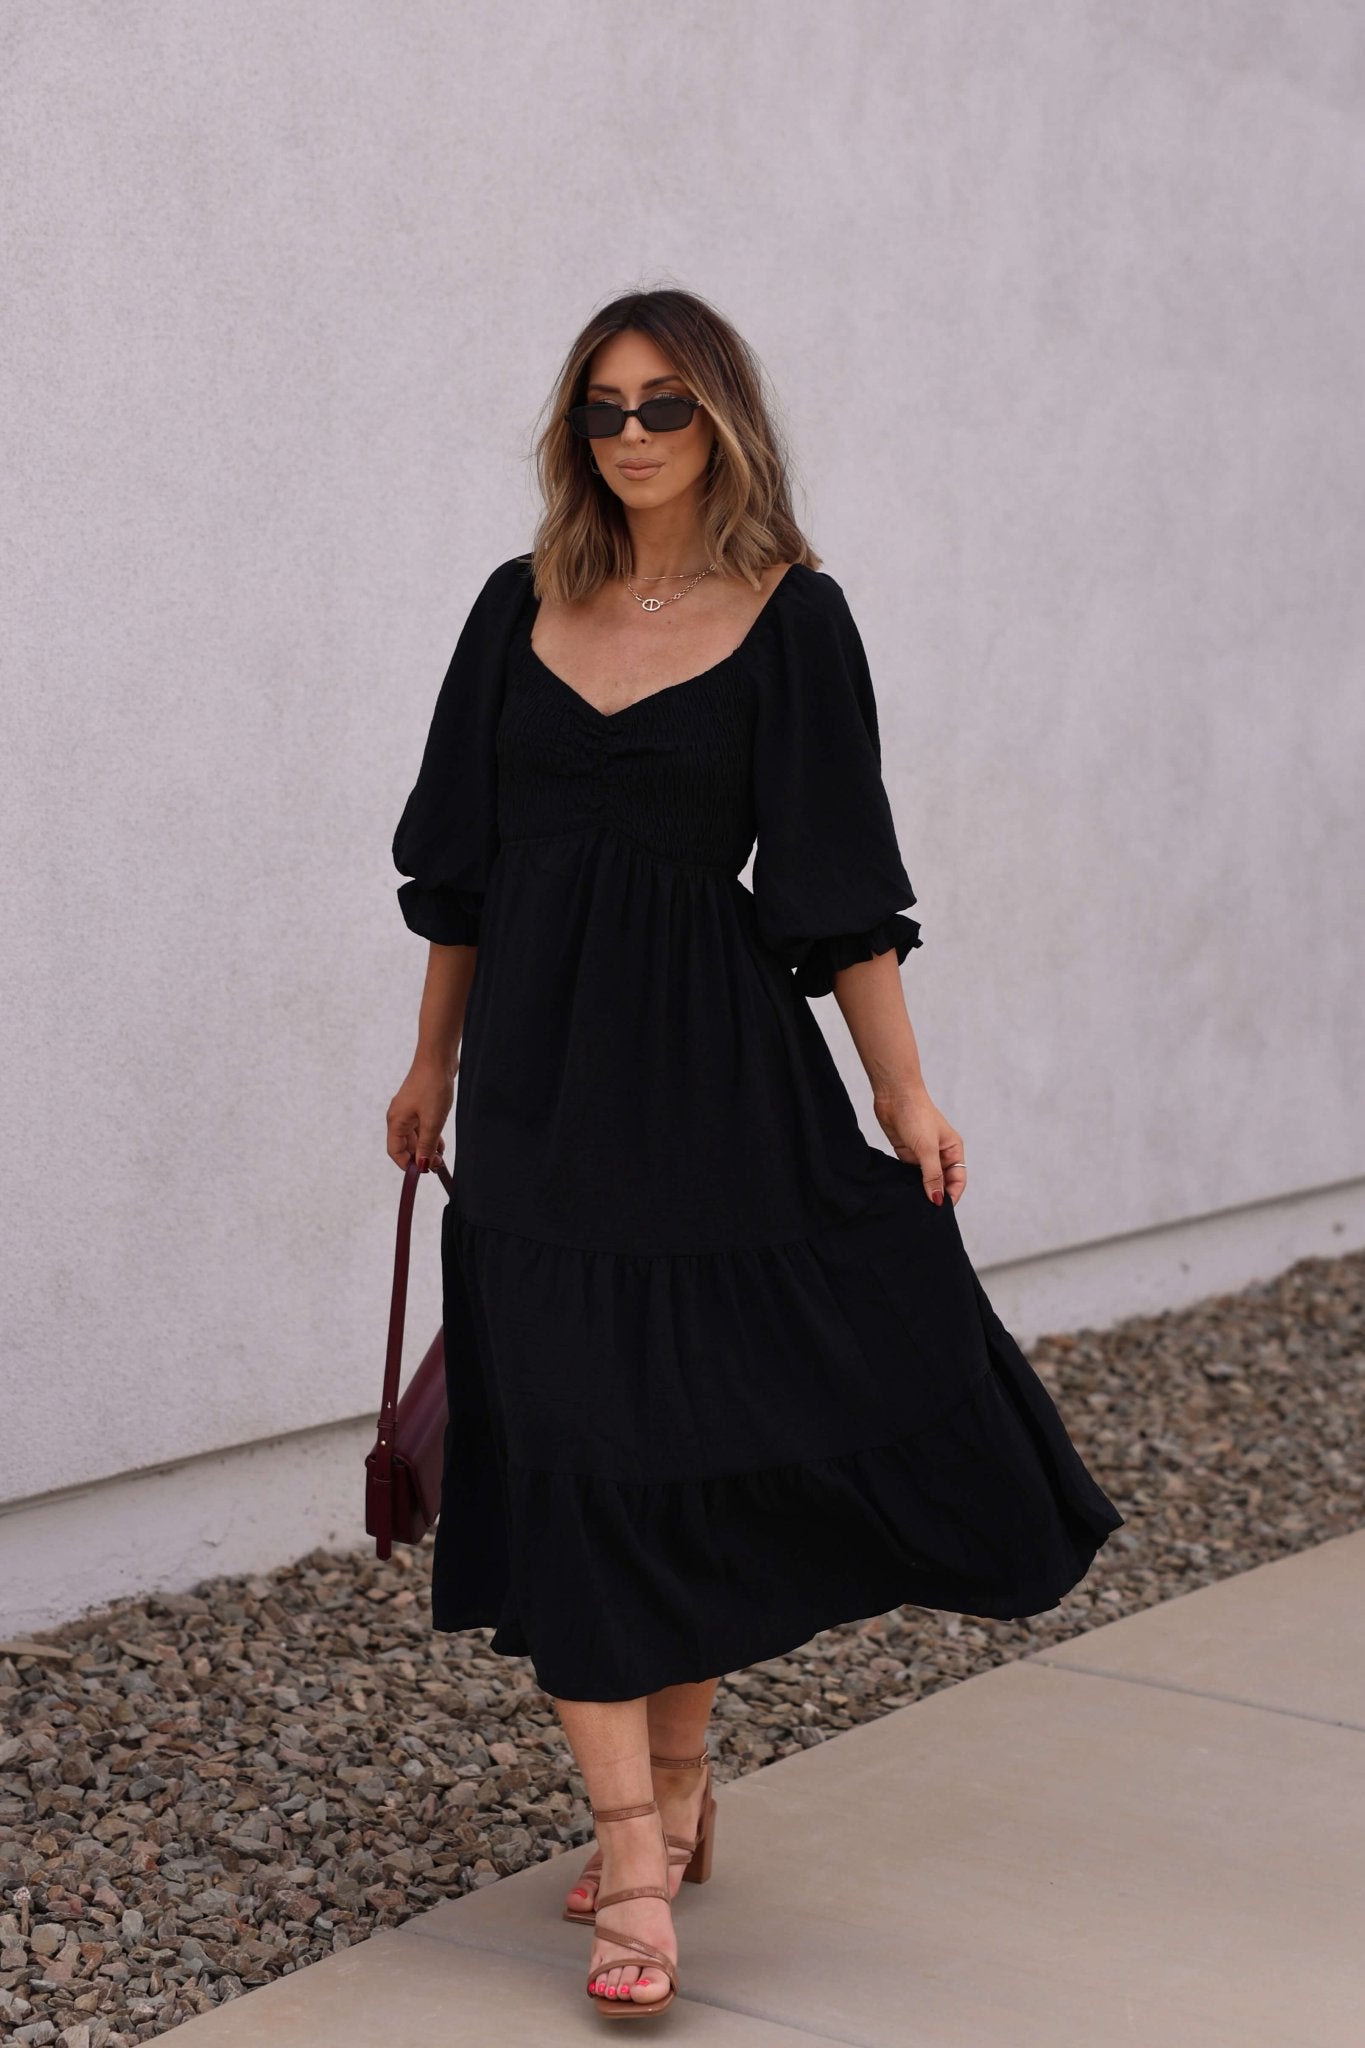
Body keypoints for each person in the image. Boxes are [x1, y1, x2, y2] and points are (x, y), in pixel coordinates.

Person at [386, 286, 1124, 2017]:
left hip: (715, 1083)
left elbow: (837, 890)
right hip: (542, 1101)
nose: (631, 438)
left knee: (689, 1436)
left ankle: (686, 1780)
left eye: (665, 408)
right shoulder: (516, 607)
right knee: (570, 1440)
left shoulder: (796, 619)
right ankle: (632, 1851)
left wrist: (904, 1099)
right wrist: (428, 1065)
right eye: (602, 411)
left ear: (723, 419)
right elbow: (459, 878)